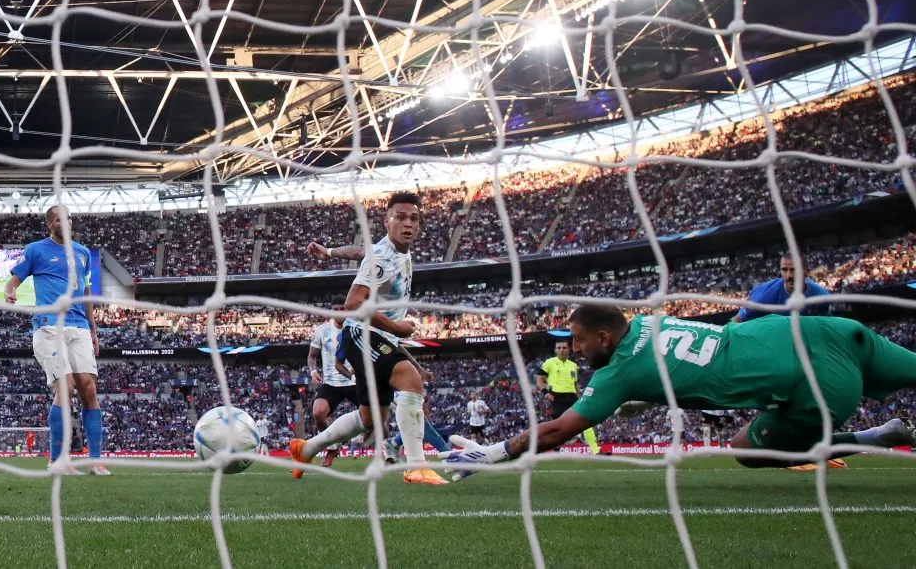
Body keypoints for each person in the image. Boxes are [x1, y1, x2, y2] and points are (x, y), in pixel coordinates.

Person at [444, 305, 916, 476]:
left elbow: (555, 433)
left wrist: (494, 453)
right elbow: (673, 363)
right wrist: (644, 398)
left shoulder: (616, 372)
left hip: (819, 385)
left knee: (745, 450)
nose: (578, 351)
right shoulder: (650, 321)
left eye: (581, 342)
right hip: (830, 331)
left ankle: (878, 436)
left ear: (604, 338)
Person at [290, 192, 447, 485]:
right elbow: (353, 303)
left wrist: (329, 252)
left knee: (371, 418)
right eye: (400, 217)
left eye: (414, 218)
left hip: (373, 336)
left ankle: (306, 448)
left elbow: (360, 251)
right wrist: (396, 328)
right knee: (411, 380)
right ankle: (416, 466)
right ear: (387, 221)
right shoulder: (384, 259)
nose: (408, 223)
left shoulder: (390, 250)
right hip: (362, 333)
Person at [5, 205, 110, 476]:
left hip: (79, 327)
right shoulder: (36, 250)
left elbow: (86, 293)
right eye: (60, 219)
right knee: (66, 386)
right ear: (50, 224)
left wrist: (93, 330)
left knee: (89, 388)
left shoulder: (83, 253)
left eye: (70, 218)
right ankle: (57, 460)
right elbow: (14, 280)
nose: (67, 222)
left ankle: (95, 461)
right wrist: (10, 291)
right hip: (49, 325)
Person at [307, 315, 356, 468]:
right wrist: (313, 371)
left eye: (343, 309)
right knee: (318, 413)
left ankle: (388, 450)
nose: (340, 313)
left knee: (376, 416)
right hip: (331, 383)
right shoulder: (322, 330)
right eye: (336, 310)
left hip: (354, 381)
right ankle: (333, 448)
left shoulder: (357, 328)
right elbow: (312, 356)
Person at [536, 342, 599, 455]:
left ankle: (595, 450)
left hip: (572, 397)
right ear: (555, 350)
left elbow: (574, 384)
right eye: (559, 348)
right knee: (559, 425)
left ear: (568, 350)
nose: (562, 350)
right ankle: (556, 450)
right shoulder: (549, 363)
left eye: (564, 348)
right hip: (557, 397)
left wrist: (579, 397)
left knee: (585, 421)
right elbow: (539, 379)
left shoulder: (573, 365)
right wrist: (545, 392)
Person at [733, 254, 830, 323]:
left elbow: (825, 324)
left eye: (794, 270)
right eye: (784, 270)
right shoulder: (764, 296)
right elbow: (737, 321)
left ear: (807, 272)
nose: (789, 275)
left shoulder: (821, 296)